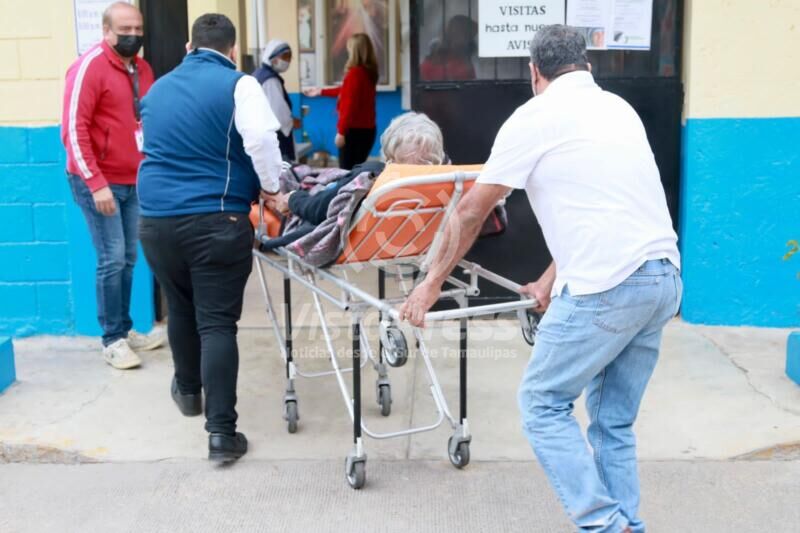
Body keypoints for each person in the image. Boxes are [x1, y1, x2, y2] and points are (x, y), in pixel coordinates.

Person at [400, 25, 681, 533]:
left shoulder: (534, 118)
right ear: (588, 66)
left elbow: (471, 211)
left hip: (608, 286)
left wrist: (431, 282)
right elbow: (605, 209)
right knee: (613, 423)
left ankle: (606, 524)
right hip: (662, 278)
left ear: (534, 73)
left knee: (542, 404)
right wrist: (552, 279)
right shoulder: (618, 109)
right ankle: (626, 525)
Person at [137, 13, 284, 463]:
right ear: (232, 51)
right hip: (217, 219)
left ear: (189, 47)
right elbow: (261, 139)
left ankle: (187, 391)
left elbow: (147, 145)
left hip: (156, 221)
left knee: (180, 305)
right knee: (217, 323)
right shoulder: (240, 85)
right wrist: (272, 188)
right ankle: (221, 434)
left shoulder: (156, 89)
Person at [61, 1, 163, 370]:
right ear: (106, 31)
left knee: (129, 258)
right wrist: (95, 183)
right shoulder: (89, 66)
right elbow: (73, 129)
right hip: (99, 183)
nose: (133, 36)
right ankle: (112, 340)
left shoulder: (143, 69)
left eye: (138, 29)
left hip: (133, 181)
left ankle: (124, 328)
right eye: (125, 30)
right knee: (112, 258)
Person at [265, 111, 446, 223]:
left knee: (282, 178)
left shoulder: (371, 177)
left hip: (312, 197)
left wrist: (292, 199)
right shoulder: (445, 181)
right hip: (406, 238)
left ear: (390, 151)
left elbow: (317, 209)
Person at [303, 33, 378, 170]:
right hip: (368, 131)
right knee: (357, 170)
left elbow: (349, 106)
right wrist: (320, 91)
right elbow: (346, 91)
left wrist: (341, 132)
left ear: (353, 51)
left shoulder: (355, 74)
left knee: (346, 172)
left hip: (353, 133)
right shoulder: (369, 73)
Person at [253, 40, 297, 160]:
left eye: (289, 57)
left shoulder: (259, 74)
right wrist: (292, 122)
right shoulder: (270, 80)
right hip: (274, 138)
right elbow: (279, 113)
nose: (287, 61)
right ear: (273, 58)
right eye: (285, 56)